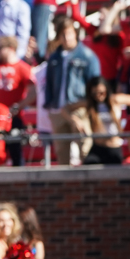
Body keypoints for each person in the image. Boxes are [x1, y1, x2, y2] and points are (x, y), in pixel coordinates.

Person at [45, 15, 101, 165]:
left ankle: (88, 183)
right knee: (62, 151)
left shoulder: (87, 56)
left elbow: (96, 84)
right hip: (58, 108)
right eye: (63, 34)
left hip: (79, 108)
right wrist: (49, 103)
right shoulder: (55, 57)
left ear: (75, 33)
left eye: (69, 33)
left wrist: (89, 105)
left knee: (85, 147)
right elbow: (49, 81)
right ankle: (64, 185)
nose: (66, 37)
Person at [0, 35, 33, 166]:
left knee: (15, 151)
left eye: (0, 48)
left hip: (13, 117)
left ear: (10, 48)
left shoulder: (22, 67)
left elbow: (33, 92)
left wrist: (18, 107)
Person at [78, 77, 130, 165]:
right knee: (88, 168)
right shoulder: (90, 104)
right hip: (98, 146)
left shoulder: (115, 100)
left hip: (114, 146)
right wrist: (74, 120)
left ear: (106, 90)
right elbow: (65, 109)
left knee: (120, 172)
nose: (98, 96)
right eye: (94, 94)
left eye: (101, 93)